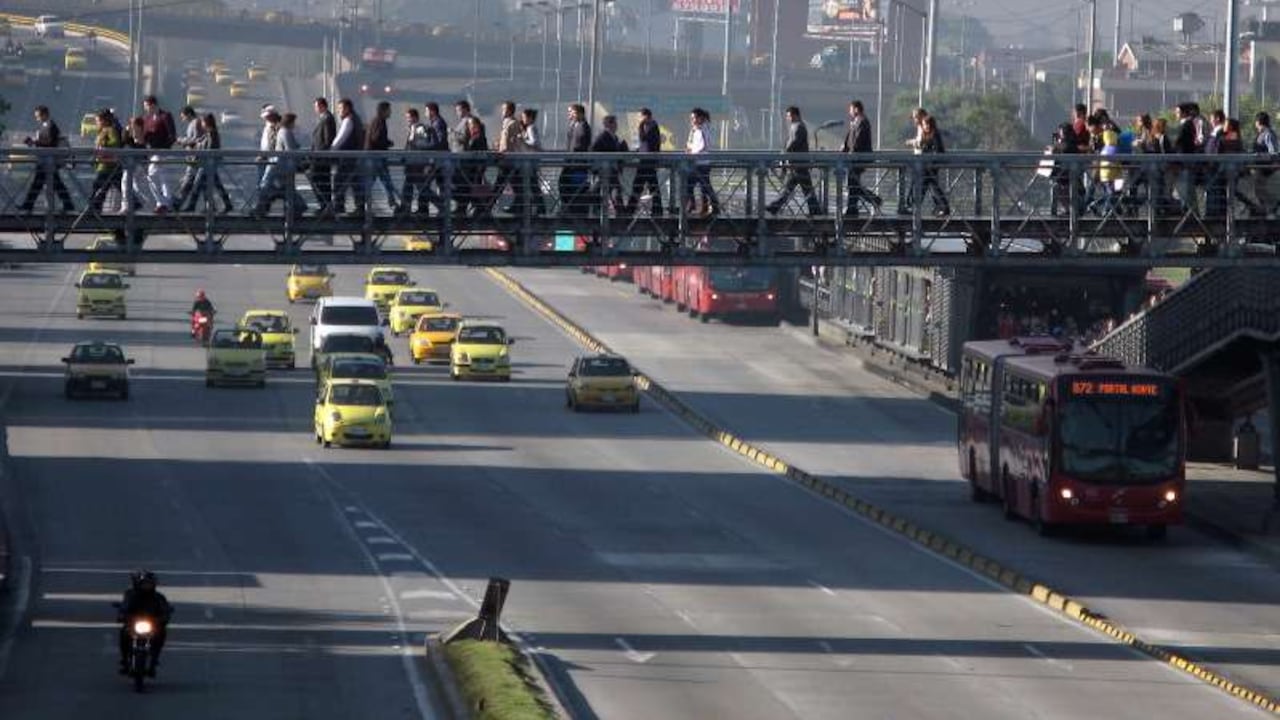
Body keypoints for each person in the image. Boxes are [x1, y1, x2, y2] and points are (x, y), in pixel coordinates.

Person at [766, 105, 823, 216]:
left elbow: (794, 143)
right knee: (804, 189)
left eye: (789, 116)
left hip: (798, 164)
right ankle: (815, 210)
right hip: (798, 164)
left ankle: (775, 207)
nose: (787, 118)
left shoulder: (799, 127)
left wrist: (785, 153)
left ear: (795, 115)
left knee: (792, 189)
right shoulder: (796, 126)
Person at [19, 105, 75, 213]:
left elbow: (51, 143)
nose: (37, 118)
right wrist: (34, 142)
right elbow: (45, 141)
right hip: (45, 160)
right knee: (49, 184)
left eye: (38, 116)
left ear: (45, 114)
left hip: (49, 161)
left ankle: (28, 206)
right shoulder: (44, 125)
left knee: (41, 184)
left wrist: (35, 142)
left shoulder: (51, 126)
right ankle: (68, 205)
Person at [117, 570, 173, 676]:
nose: (147, 586)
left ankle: (154, 660)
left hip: (152, 624)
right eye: (144, 584)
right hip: (133, 624)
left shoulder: (158, 597)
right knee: (124, 634)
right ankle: (124, 660)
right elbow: (124, 607)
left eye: (149, 584)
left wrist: (164, 618)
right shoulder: (130, 595)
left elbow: (165, 609)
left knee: (161, 634)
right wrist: (122, 615)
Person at [183, 113, 234, 214]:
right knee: (213, 185)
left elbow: (209, 148)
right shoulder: (208, 133)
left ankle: (193, 205)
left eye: (202, 122)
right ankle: (221, 205)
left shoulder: (211, 133)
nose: (201, 124)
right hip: (208, 164)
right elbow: (198, 142)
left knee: (198, 184)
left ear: (206, 122)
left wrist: (199, 151)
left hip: (207, 164)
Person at [841, 99, 881, 217]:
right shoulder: (856, 121)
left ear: (856, 109)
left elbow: (857, 141)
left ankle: (869, 201)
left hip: (859, 158)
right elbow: (850, 139)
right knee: (853, 184)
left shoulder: (863, 122)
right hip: (854, 157)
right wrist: (845, 148)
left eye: (851, 109)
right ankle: (853, 209)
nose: (850, 112)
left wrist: (850, 152)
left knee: (852, 183)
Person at [140, 95, 177, 213]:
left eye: (147, 106)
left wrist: (165, 148)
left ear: (153, 105)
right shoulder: (147, 119)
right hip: (152, 152)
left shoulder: (165, 116)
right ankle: (167, 202)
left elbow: (172, 135)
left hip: (161, 152)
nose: (146, 109)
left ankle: (162, 202)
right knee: (163, 179)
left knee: (151, 176)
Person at [331, 98, 366, 217]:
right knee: (355, 183)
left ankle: (339, 207)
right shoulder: (356, 119)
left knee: (339, 181)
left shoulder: (348, 120)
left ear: (347, 108)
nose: (338, 111)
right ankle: (360, 207)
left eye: (340, 108)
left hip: (347, 158)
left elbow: (340, 139)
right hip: (354, 157)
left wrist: (330, 150)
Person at [625, 107, 663, 217]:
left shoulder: (652, 127)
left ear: (646, 116)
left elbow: (644, 139)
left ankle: (632, 209)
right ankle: (655, 209)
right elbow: (644, 145)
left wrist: (640, 126)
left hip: (648, 161)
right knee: (645, 186)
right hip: (645, 160)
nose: (639, 119)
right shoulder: (650, 126)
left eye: (640, 116)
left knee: (642, 185)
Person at [589, 114, 628, 215]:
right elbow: (593, 150)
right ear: (609, 124)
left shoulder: (614, 137)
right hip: (605, 170)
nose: (617, 125)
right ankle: (619, 213)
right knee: (610, 190)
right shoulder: (602, 137)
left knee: (612, 190)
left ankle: (619, 213)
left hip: (611, 169)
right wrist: (598, 165)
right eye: (615, 123)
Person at [364, 100, 399, 212]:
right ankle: (392, 202)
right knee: (385, 180)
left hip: (373, 156)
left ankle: (363, 202)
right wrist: (388, 143)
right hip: (377, 156)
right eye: (389, 110)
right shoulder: (380, 121)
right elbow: (376, 138)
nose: (390, 112)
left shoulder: (376, 121)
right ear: (384, 111)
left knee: (375, 181)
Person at [685, 107, 720, 216]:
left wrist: (691, 152)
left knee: (692, 185)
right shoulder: (702, 128)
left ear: (700, 118)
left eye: (694, 118)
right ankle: (707, 207)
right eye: (692, 118)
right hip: (702, 162)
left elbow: (702, 146)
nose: (693, 120)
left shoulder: (701, 129)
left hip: (700, 162)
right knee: (703, 186)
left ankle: (696, 205)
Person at [560, 103, 592, 217]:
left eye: (572, 112)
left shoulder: (583, 126)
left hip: (577, 164)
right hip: (570, 162)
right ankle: (567, 209)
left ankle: (573, 211)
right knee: (564, 184)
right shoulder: (573, 125)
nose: (570, 114)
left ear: (579, 113)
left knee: (576, 188)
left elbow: (580, 143)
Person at [89, 109, 123, 214]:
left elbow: (115, 143)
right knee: (111, 186)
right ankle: (95, 207)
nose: (96, 123)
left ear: (104, 120)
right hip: (103, 163)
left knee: (97, 185)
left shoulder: (110, 130)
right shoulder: (103, 131)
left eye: (98, 120)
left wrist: (104, 145)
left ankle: (93, 208)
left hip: (107, 164)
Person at [309, 97, 337, 216]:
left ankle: (325, 205)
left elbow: (327, 139)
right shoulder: (324, 118)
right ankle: (325, 206)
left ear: (322, 106)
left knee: (316, 179)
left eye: (316, 106)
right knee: (321, 180)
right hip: (319, 157)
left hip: (321, 158)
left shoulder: (327, 119)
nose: (315, 109)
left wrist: (320, 154)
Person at [918, 115, 950, 217]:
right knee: (930, 187)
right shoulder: (926, 135)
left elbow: (938, 150)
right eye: (924, 125)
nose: (926, 126)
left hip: (931, 166)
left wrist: (931, 161)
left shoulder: (934, 135)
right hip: (927, 166)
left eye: (927, 124)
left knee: (930, 187)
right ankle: (942, 207)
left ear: (932, 125)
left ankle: (944, 208)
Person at [400, 107, 430, 215]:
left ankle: (418, 208)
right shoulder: (413, 128)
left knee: (418, 187)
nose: (407, 120)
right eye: (407, 118)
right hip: (412, 163)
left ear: (415, 118)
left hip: (417, 164)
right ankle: (410, 207)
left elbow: (424, 144)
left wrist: (414, 145)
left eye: (409, 118)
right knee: (412, 186)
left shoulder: (420, 128)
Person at [173, 106, 201, 210]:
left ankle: (178, 203)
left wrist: (182, 141)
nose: (182, 119)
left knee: (189, 180)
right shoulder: (192, 124)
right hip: (191, 158)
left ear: (188, 114)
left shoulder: (195, 123)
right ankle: (191, 205)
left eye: (183, 116)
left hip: (195, 158)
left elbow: (197, 139)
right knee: (198, 183)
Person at [1252, 111, 1278, 217]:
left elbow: (1273, 151)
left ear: (1258, 122)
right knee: (1258, 190)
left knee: (1259, 190)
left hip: (1265, 168)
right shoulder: (1262, 134)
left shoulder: (1267, 134)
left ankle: (1271, 208)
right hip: (1260, 167)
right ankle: (1267, 209)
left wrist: (1271, 163)